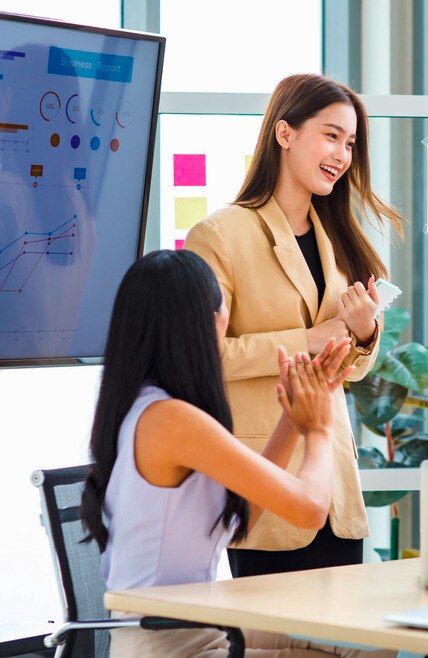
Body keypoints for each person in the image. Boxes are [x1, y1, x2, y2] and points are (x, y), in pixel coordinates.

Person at [79, 250, 394, 657]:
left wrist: (295, 420)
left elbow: (241, 515)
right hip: (175, 647)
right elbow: (311, 509)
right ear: (211, 323)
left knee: (366, 646)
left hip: (198, 632)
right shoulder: (169, 419)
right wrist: (319, 427)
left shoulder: (148, 409)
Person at [184, 74, 404, 577]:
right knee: (273, 651)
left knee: (338, 649)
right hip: (264, 477)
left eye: (350, 143)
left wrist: (365, 334)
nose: (343, 154)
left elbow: (350, 372)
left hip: (334, 489)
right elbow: (203, 358)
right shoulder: (219, 234)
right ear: (284, 134)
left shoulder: (341, 239)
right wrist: (308, 340)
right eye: (331, 135)